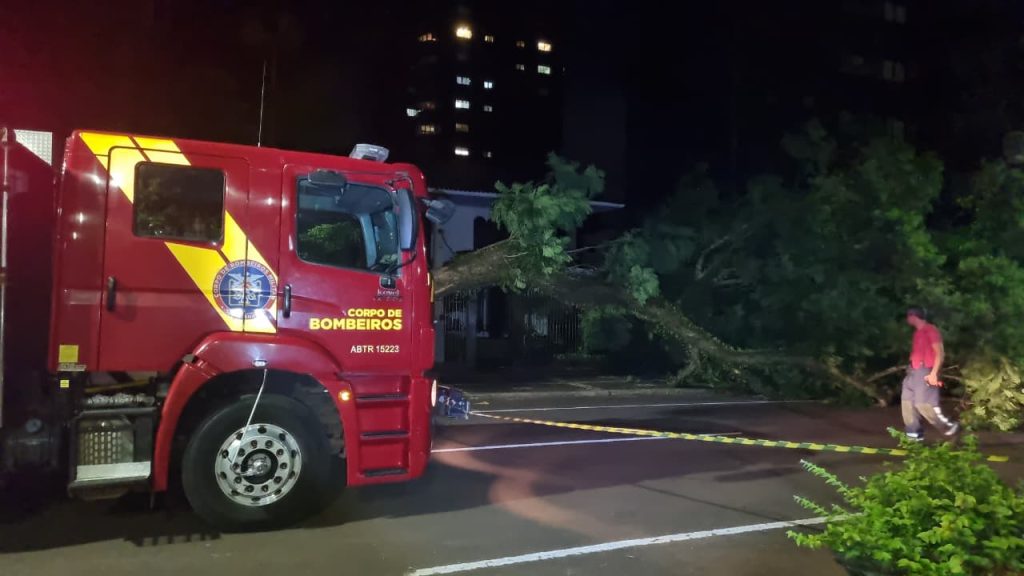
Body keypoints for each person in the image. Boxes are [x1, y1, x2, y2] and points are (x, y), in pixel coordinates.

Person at [901, 307, 959, 440]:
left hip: (926, 371)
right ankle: (913, 436)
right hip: (912, 371)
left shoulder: (930, 330)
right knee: (907, 404)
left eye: (908, 316)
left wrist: (934, 373)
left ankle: (949, 428)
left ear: (913, 316)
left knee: (924, 405)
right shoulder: (917, 333)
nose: (907, 319)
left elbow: (940, 353)